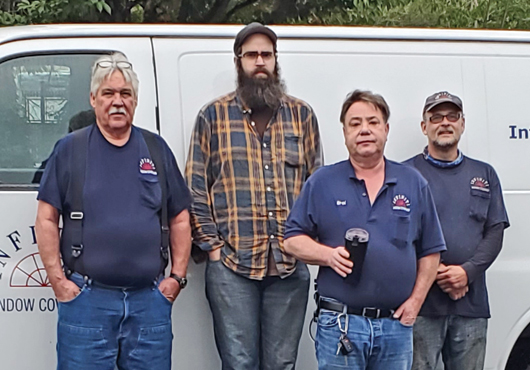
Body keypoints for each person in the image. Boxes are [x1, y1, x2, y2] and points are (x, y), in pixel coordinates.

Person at [35, 52, 192, 370]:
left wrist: (176, 277)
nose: (117, 101)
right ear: (93, 99)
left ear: (135, 101)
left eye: (125, 94)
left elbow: (180, 217)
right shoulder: (71, 149)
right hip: (87, 303)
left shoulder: (156, 149)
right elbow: (46, 217)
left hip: (148, 304)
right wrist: (58, 282)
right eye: (108, 93)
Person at [185, 22, 323, 370]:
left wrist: (308, 245)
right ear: (239, 62)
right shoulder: (212, 117)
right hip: (231, 266)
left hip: (289, 266)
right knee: (239, 364)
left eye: (267, 55)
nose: (259, 61)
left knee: (282, 365)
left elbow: (317, 187)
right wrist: (213, 248)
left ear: (276, 61)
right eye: (252, 55)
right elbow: (195, 187)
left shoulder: (301, 115)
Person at [284, 89, 446, 370]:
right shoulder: (322, 182)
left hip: (396, 326)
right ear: (345, 133)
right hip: (340, 325)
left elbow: (431, 251)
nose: (364, 130)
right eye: (355, 124)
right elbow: (292, 240)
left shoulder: (413, 182)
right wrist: (327, 256)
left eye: (372, 122)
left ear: (386, 129)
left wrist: (416, 301)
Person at [405, 91, 509, 370]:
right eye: (436, 117)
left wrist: (467, 272)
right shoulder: (405, 175)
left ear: (463, 123)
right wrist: (436, 272)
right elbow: (398, 234)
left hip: (470, 305)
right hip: (421, 306)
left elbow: (495, 232)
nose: (445, 123)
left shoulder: (484, 174)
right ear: (424, 127)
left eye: (452, 116)